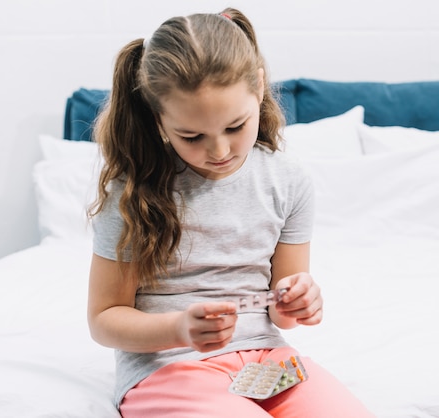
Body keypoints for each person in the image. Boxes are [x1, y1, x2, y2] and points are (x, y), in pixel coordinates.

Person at [86, 7, 374, 418]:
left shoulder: (288, 180)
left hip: (269, 361)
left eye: (236, 126)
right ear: (158, 120)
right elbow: (104, 319)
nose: (219, 152)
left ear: (258, 86)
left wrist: (298, 302)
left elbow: (281, 309)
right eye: (192, 135)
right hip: (168, 366)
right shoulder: (132, 193)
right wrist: (178, 328)